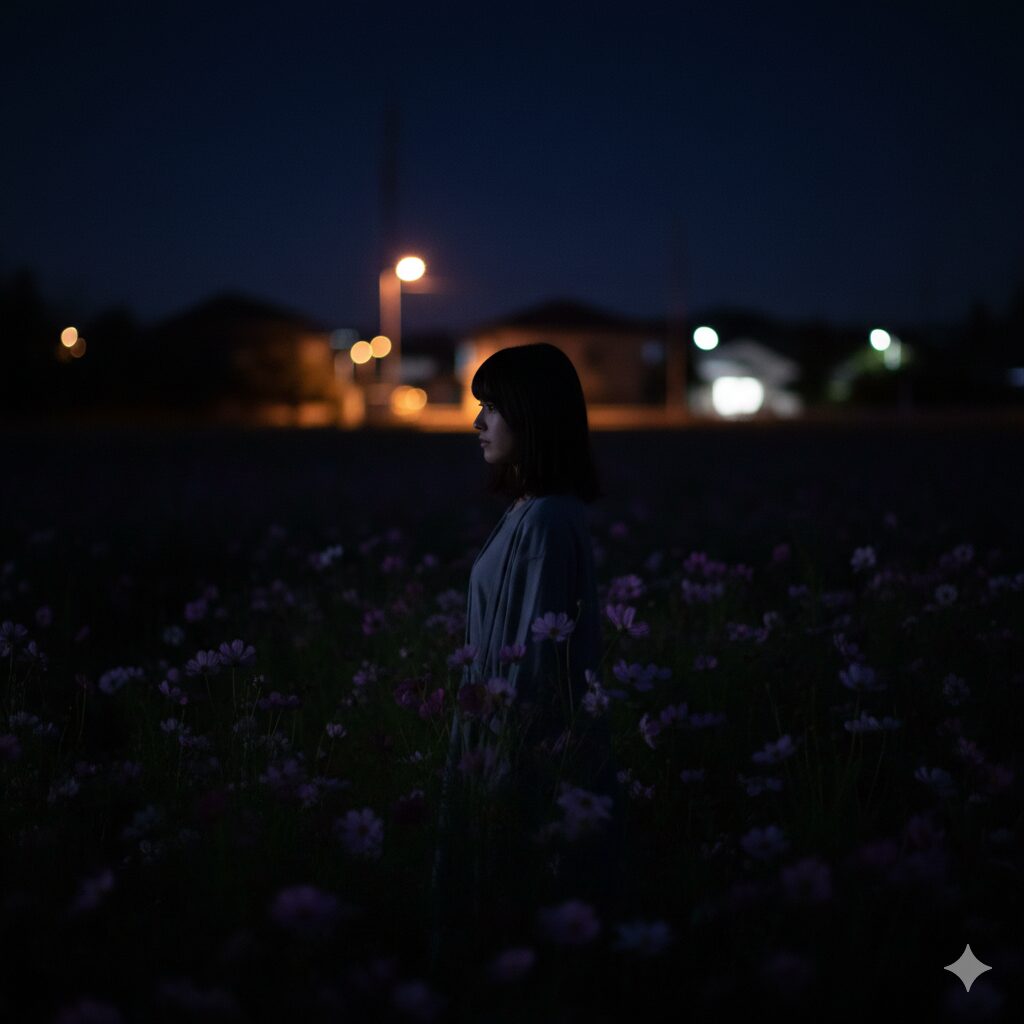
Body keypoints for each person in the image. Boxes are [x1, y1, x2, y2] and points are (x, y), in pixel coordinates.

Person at [427, 343, 622, 974]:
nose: (477, 423)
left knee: (515, 905)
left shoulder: (543, 522)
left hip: (520, 748)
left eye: (492, 408)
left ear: (533, 417)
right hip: (503, 737)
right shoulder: (531, 511)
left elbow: (535, 670)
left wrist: (503, 765)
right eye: (479, 406)